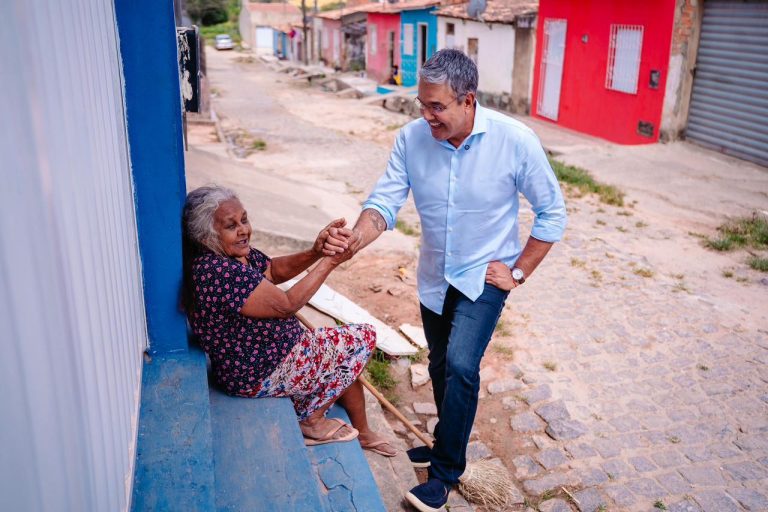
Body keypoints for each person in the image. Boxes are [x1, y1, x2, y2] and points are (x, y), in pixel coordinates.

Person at [324, 49, 567, 510]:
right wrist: (355, 239)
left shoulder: (515, 141)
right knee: (438, 364)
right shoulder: (411, 139)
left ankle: (445, 472)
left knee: (460, 365)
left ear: (468, 100)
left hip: (485, 279)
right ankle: (444, 442)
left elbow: (553, 212)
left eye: (437, 107)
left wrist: (518, 271)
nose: (427, 115)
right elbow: (384, 202)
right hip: (435, 275)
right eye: (423, 104)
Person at [181, 185, 396, 456]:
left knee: (341, 354)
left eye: (244, 220)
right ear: (206, 235)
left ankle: (363, 433)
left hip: (275, 353)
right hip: (257, 371)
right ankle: (312, 420)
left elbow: (272, 269)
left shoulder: (234, 255)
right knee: (362, 338)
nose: (243, 230)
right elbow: (286, 305)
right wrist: (330, 263)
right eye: (231, 225)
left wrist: (316, 251)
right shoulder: (215, 271)